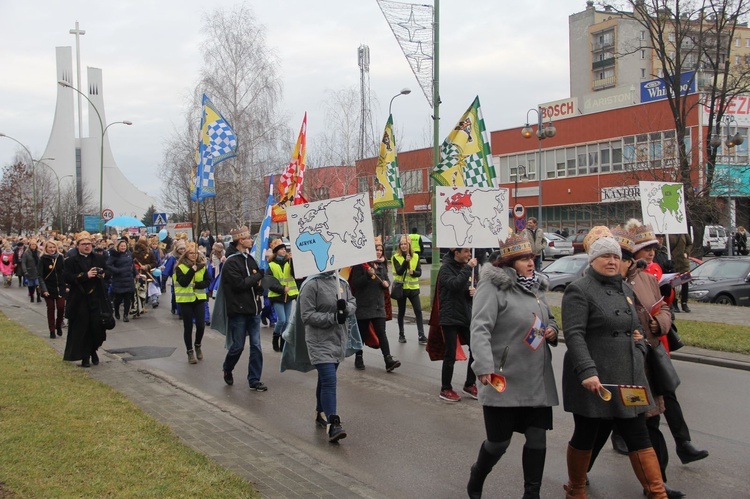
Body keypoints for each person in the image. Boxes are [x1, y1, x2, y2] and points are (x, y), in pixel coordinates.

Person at [561, 226, 667, 498]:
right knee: (586, 434)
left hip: (628, 376)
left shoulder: (624, 288)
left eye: (616, 256)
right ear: (592, 260)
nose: (611, 261)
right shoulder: (579, 290)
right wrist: (587, 371)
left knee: (638, 435)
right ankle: (575, 489)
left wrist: (640, 347)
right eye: (605, 256)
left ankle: (657, 493)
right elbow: (574, 335)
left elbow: (637, 327)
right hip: (595, 379)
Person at [587, 226, 685, 498]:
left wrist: (658, 324)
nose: (617, 262)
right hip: (613, 367)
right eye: (616, 256)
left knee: (649, 426)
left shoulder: (646, 279)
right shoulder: (597, 284)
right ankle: (580, 472)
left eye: (622, 257)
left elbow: (663, 308)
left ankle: (657, 484)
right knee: (599, 428)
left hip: (643, 365)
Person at [467, 234, 559, 499]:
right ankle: (478, 474)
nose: (530, 263)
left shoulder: (536, 287)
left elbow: (548, 319)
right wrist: (483, 366)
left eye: (531, 257)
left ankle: (532, 494)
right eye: (523, 259)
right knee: (498, 443)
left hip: (536, 378)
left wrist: (551, 330)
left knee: (537, 439)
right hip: (503, 378)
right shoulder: (493, 287)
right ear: (508, 262)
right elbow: (480, 328)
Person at [626, 221, 709, 468]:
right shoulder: (625, 277)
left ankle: (682, 445)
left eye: (653, 247)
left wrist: (661, 321)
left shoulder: (653, 272)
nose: (651, 252)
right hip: (635, 350)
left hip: (656, 344)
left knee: (667, 393)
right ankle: (585, 464)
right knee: (631, 413)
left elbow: (664, 306)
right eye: (646, 248)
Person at [298, 270, 358, 442]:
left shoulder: (342, 282)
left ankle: (320, 411)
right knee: (329, 379)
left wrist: (345, 308)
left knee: (325, 379)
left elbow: (353, 302)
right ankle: (333, 424)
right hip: (319, 341)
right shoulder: (311, 284)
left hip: (338, 339)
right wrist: (333, 317)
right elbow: (307, 315)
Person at [216, 226, 267, 391]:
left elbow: (253, 283)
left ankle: (254, 379)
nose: (251, 241)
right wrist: (258, 275)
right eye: (248, 238)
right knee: (238, 346)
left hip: (254, 310)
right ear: (240, 240)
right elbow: (239, 285)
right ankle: (227, 368)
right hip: (238, 311)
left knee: (256, 346)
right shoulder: (231, 262)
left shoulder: (250, 259)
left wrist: (260, 287)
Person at [433, 247, 478, 403]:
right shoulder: (446, 268)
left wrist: (472, 292)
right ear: (456, 253)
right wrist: (468, 268)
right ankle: (445, 388)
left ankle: (470, 383)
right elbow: (454, 285)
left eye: (469, 252)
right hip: (450, 316)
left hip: (465, 315)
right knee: (450, 353)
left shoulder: (465, 268)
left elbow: (463, 291)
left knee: (476, 349)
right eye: (466, 252)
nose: (469, 255)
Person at [349, 239, 401, 372]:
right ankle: (359, 357)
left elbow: (386, 280)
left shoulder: (382, 265)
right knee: (361, 333)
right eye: (376, 250)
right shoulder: (360, 265)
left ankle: (388, 360)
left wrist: (386, 284)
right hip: (364, 305)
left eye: (380, 250)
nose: (378, 253)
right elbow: (355, 283)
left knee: (381, 333)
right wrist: (367, 274)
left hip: (378, 305)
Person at [63, 231, 109, 368]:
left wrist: (103, 275)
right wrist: (85, 275)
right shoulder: (71, 261)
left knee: (97, 328)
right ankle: (85, 356)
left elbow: (108, 272)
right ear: (78, 246)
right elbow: (67, 278)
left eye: (89, 244)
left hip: (97, 298)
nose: (87, 246)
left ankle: (93, 350)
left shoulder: (99, 258)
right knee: (82, 328)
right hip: (80, 299)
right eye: (84, 244)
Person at [175, 242, 210, 364]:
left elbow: (207, 281)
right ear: (186, 254)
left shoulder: (202, 266)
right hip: (185, 300)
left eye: (195, 253)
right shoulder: (180, 267)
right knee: (188, 327)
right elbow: (183, 282)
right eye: (191, 253)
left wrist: (197, 285)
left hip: (199, 298)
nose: (193, 255)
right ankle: (190, 351)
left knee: (201, 325)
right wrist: (191, 271)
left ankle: (198, 344)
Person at [391, 235, 426, 344]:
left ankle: (421, 335)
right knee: (401, 312)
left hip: (413, 288)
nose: (403, 246)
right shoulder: (395, 257)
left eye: (405, 244)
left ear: (409, 245)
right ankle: (401, 334)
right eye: (401, 244)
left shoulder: (415, 256)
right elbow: (399, 271)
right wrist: (406, 261)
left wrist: (414, 272)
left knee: (418, 311)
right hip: (401, 288)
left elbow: (419, 272)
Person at [265, 238, 298, 352]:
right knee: (282, 320)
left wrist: (293, 261)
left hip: (288, 295)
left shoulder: (288, 262)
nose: (284, 251)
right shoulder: (271, 265)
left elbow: (295, 274)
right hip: (277, 296)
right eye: (281, 249)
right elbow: (269, 282)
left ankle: (283, 342)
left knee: (287, 321)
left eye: (285, 249)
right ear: (276, 251)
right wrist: (282, 289)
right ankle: (275, 338)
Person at [38, 240, 67, 338]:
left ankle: (58, 325)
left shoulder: (60, 258)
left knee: (61, 307)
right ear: (46, 248)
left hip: (60, 287)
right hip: (48, 287)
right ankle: (51, 330)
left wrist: (66, 286)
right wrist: (44, 289)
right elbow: (40, 276)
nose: (52, 249)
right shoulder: (42, 259)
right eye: (50, 247)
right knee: (51, 309)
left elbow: (64, 272)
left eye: (53, 247)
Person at [108, 238, 136, 323]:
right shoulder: (114, 255)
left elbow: (132, 265)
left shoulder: (129, 254)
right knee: (118, 299)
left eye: (124, 246)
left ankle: (125, 315)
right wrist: (116, 270)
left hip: (128, 278)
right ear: (118, 246)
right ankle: (116, 310)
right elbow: (108, 265)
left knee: (128, 298)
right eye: (121, 246)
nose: (123, 247)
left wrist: (136, 273)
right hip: (119, 279)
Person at [668, 233, 693, 313]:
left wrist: (686, 252)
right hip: (673, 262)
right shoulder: (668, 233)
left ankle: (684, 303)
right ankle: (674, 303)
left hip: (683, 262)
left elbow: (689, 244)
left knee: (685, 282)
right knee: (673, 283)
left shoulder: (684, 233)